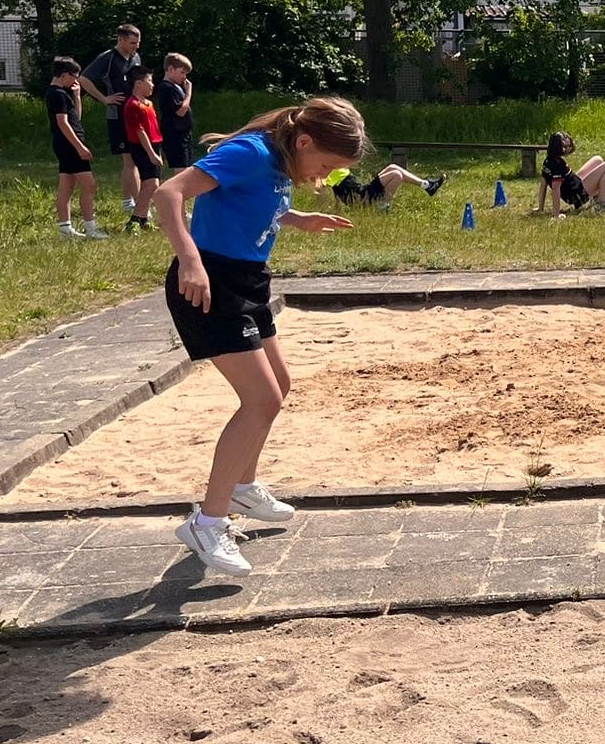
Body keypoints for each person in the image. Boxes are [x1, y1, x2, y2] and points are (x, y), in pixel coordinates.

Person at [152, 97, 369, 577]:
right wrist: (190, 260)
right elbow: (169, 193)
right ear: (306, 141)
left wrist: (299, 219)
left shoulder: (279, 160)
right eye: (327, 165)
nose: (324, 176)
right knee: (260, 401)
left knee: (279, 386)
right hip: (209, 284)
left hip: (249, 280)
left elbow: (257, 201)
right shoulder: (252, 151)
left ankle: (242, 486)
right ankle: (207, 522)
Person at [81, 22, 144, 214]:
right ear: (121, 40)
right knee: (130, 160)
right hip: (118, 115)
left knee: (133, 160)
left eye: (138, 42)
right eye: (133, 43)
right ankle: (142, 207)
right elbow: (84, 78)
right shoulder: (107, 58)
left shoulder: (135, 57)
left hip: (135, 113)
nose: (136, 46)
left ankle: (128, 201)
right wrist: (104, 98)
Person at [47, 57, 106, 239]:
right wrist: (79, 147)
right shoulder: (57, 94)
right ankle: (90, 227)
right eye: (75, 77)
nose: (76, 81)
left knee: (67, 185)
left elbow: (75, 119)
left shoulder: (62, 93)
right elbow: (63, 123)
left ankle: (65, 228)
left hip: (67, 143)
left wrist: (77, 96)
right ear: (64, 75)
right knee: (89, 184)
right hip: (69, 145)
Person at [122, 67, 166, 232]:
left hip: (154, 144)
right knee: (151, 184)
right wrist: (151, 153)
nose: (152, 85)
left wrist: (157, 150)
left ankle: (142, 219)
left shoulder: (148, 103)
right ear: (139, 83)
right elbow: (140, 132)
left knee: (152, 184)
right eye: (150, 81)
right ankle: (135, 220)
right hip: (142, 147)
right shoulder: (133, 105)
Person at [536, 132, 605, 214]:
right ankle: (601, 204)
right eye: (565, 147)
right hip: (578, 196)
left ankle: (597, 198)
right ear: (557, 147)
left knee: (598, 159)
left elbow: (543, 187)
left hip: (575, 184)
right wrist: (556, 215)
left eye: (569, 146)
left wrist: (540, 208)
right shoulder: (558, 165)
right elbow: (556, 190)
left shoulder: (547, 161)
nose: (569, 149)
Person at [325, 162, 444, 209]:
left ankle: (427, 185)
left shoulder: (334, 165)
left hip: (363, 191)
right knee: (396, 175)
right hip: (362, 198)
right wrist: (335, 210)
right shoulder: (326, 170)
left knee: (393, 167)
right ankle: (382, 206)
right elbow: (330, 191)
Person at [156, 53, 195, 171]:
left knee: (188, 169)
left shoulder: (176, 86)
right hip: (174, 134)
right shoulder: (166, 88)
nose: (184, 77)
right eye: (182, 72)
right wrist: (188, 93)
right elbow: (180, 111)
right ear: (170, 69)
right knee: (181, 171)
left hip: (184, 133)